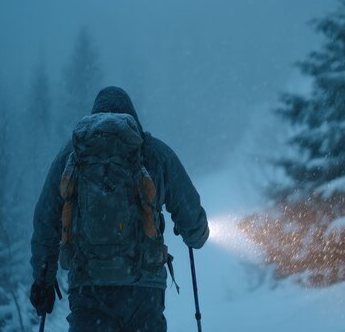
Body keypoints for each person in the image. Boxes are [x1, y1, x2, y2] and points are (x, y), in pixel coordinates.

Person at [29, 86, 210, 331]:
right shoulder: (154, 153)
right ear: (133, 117)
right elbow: (194, 227)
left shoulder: (72, 157)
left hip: (89, 290)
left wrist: (43, 280)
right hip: (144, 291)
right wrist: (193, 234)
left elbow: (45, 221)